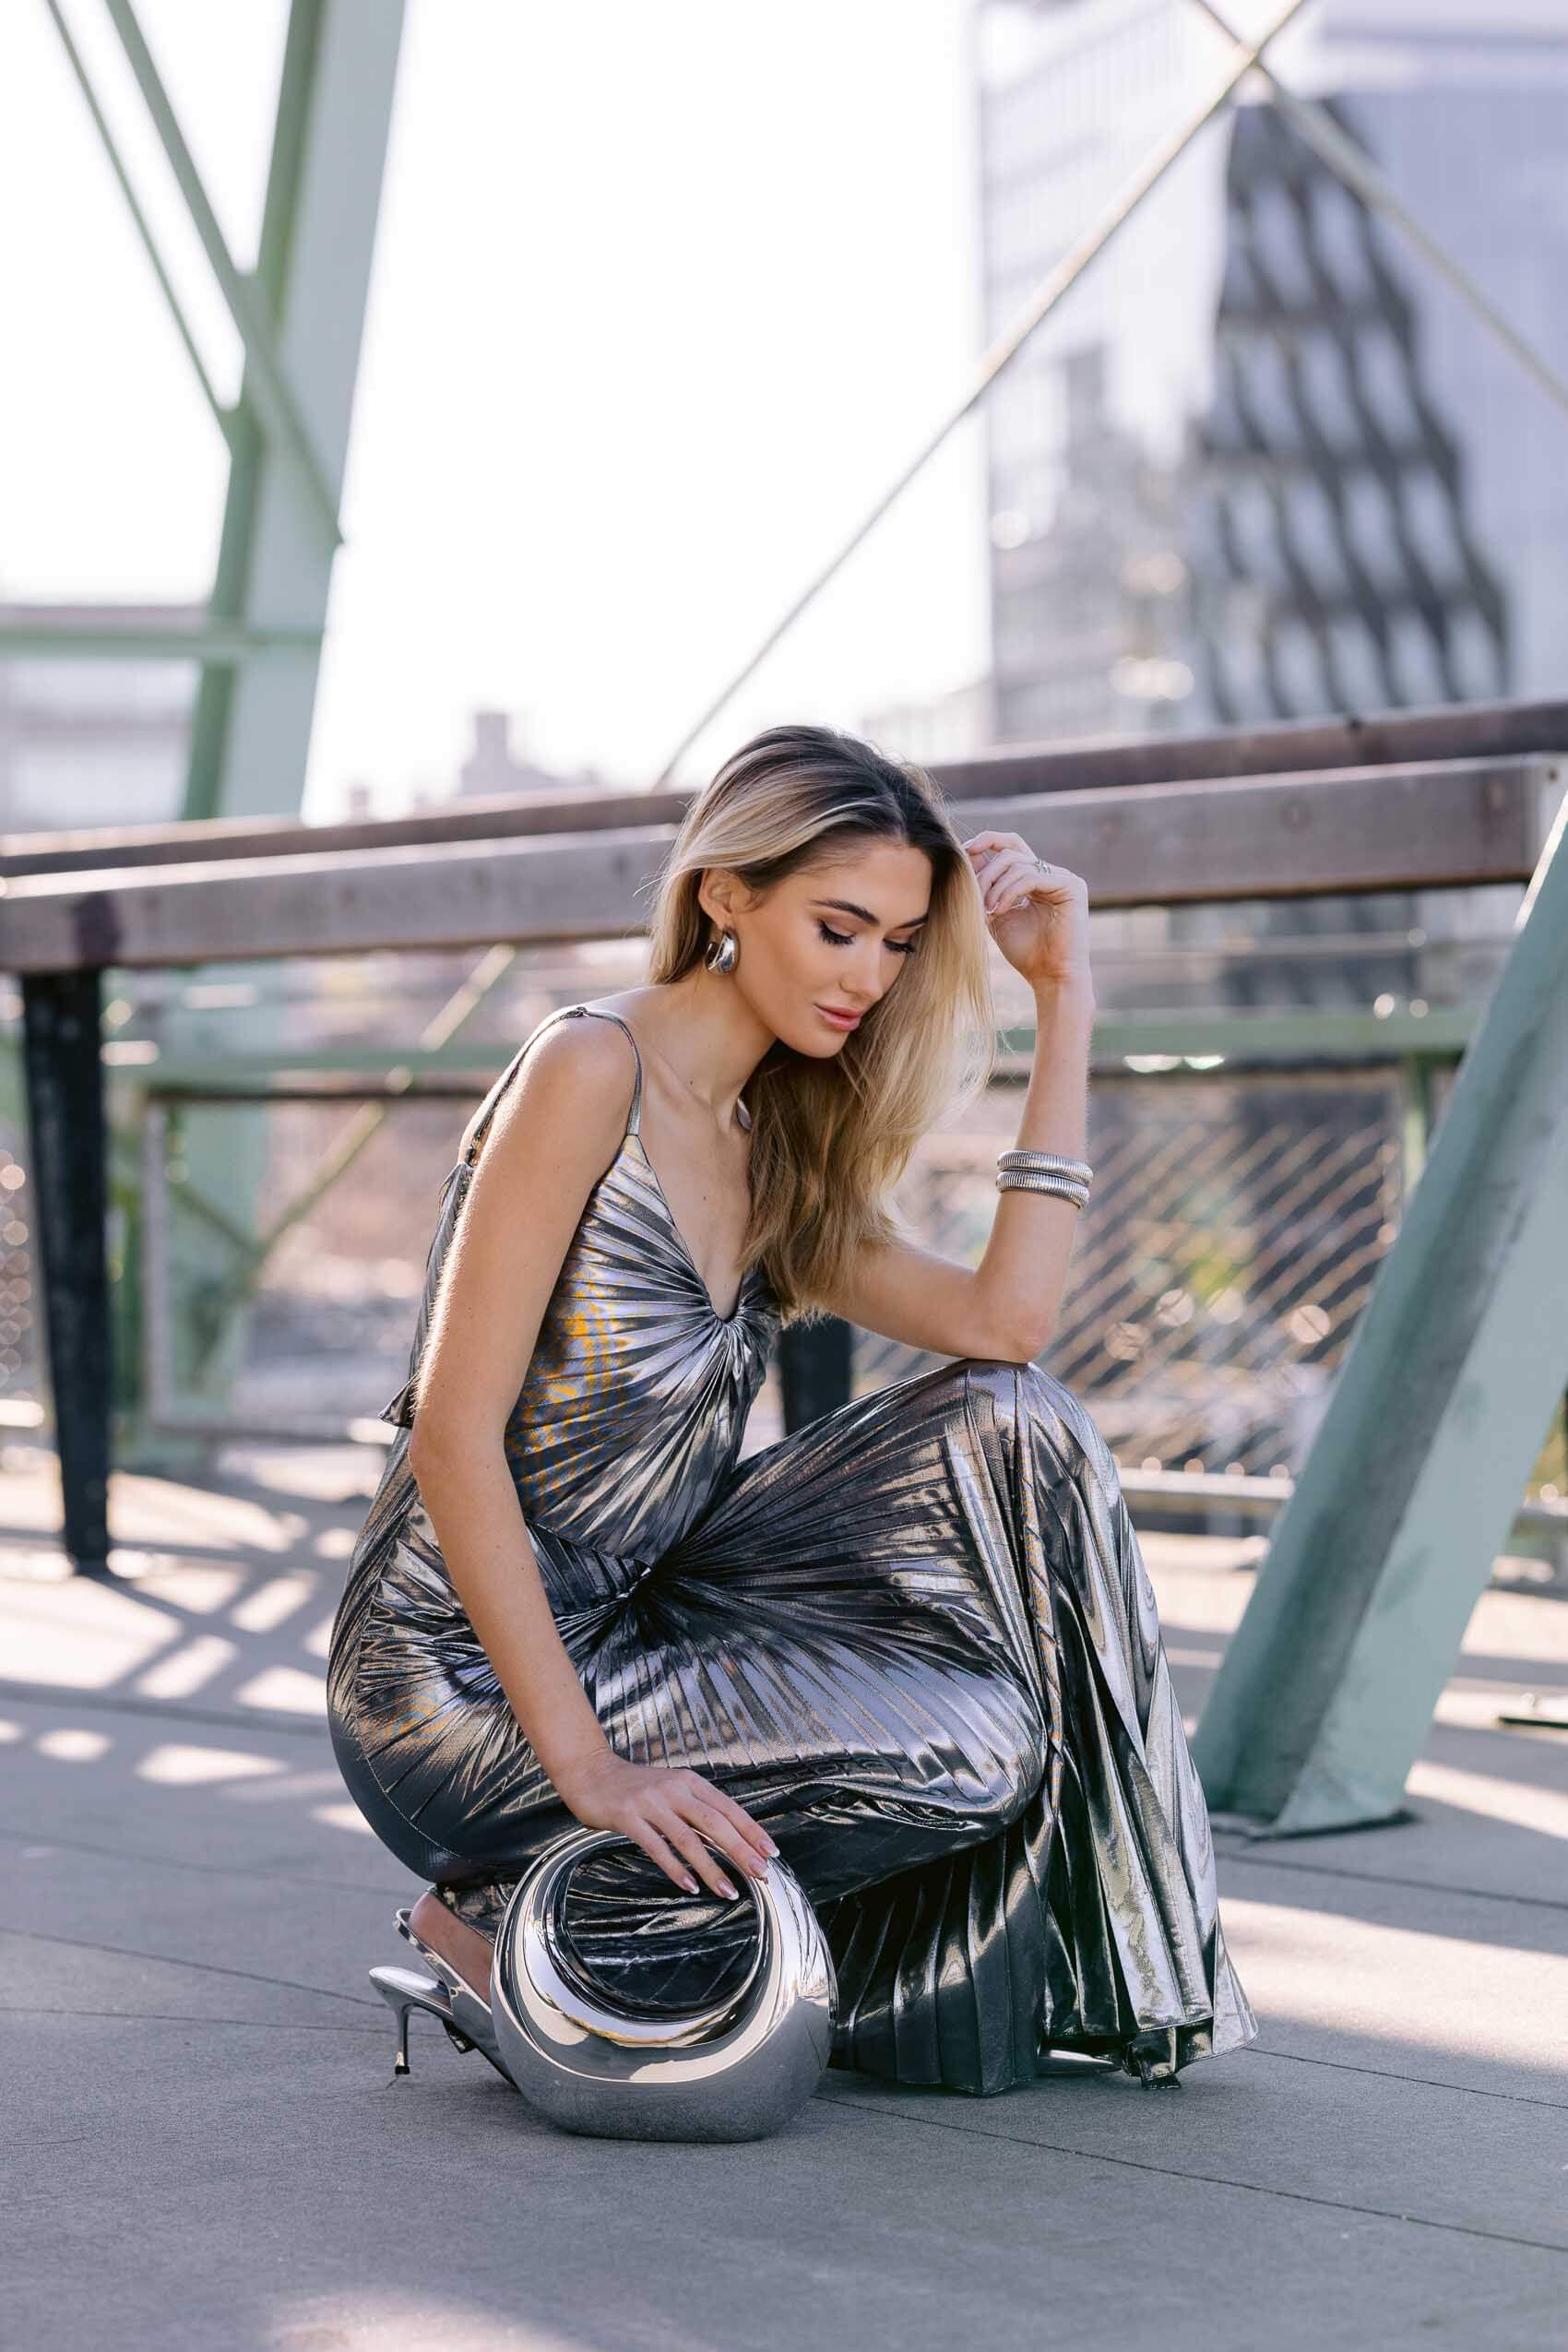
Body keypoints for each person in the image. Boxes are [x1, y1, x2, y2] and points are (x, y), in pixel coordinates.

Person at [327, 723, 1256, 2096]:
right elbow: (452, 1436)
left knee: (1022, 1422)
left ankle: (735, 1940)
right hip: (451, 1679)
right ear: (725, 897)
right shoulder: (590, 1069)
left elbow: (1005, 1325)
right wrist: (587, 1767)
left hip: (646, 1618)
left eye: (896, 943)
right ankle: (517, 1919)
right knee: (979, 1745)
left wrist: (1066, 1001)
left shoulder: (774, 1150)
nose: (869, 979)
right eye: (839, 929)